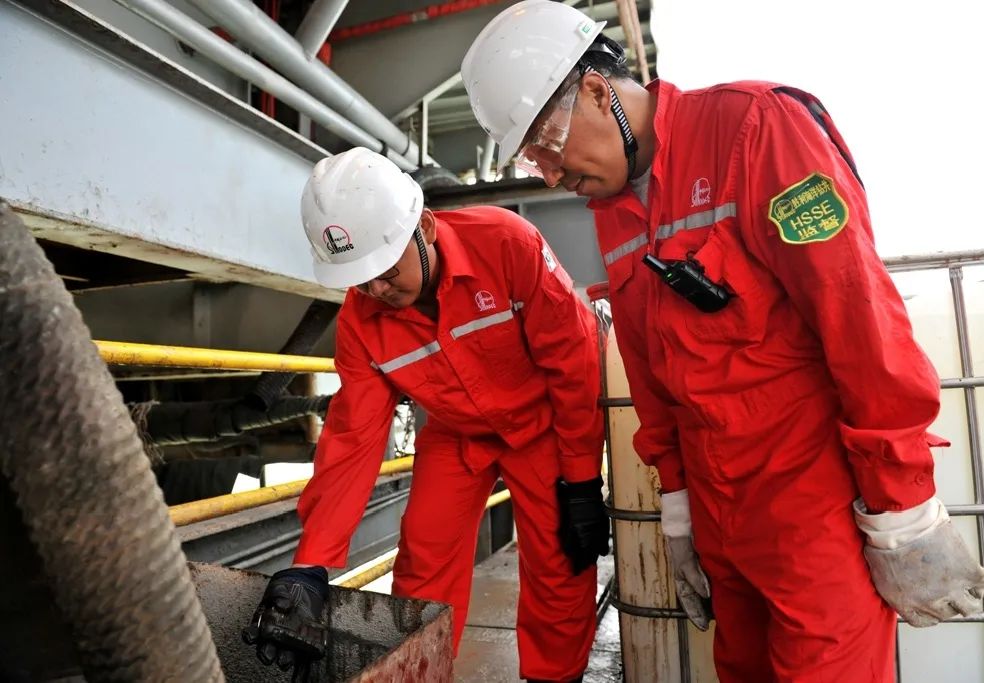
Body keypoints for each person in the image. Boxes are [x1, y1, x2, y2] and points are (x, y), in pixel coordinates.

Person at [461, 2, 984, 681]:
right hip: (720, 517)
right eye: (534, 162)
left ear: (595, 91)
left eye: (546, 148)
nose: (550, 176)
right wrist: (679, 512)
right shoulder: (613, 208)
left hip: (812, 511)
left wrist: (903, 511)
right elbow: (652, 376)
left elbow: (859, 322)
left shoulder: (756, 129)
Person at [242, 146, 608, 683]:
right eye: (360, 278)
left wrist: (580, 482)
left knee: (561, 560)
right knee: (422, 566)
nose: (376, 291)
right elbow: (354, 438)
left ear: (427, 228)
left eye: (385, 270)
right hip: (457, 433)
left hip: (542, 428)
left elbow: (573, 364)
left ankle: (553, 678)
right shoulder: (362, 322)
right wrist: (310, 565)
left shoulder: (508, 245)